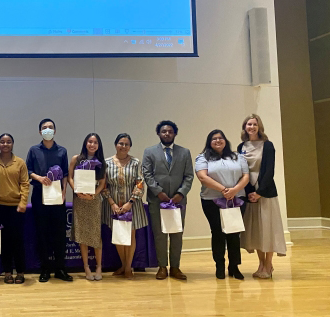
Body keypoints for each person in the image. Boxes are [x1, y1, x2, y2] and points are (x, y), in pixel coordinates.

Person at [142, 120, 194, 281]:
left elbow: (189, 176)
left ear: (175, 134)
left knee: (177, 234)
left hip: (178, 201)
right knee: (159, 234)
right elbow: (147, 174)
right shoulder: (149, 152)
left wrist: (181, 193)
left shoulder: (184, 152)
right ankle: (162, 267)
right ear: (158, 133)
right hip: (157, 200)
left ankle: (176, 267)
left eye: (170, 131)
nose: (167, 134)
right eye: (164, 131)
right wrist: (159, 192)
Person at [196, 129, 250, 280]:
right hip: (212, 201)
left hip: (236, 200)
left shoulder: (238, 157)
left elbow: (246, 176)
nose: (218, 141)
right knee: (218, 233)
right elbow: (202, 177)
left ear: (225, 140)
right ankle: (219, 265)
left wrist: (234, 191)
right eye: (214, 139)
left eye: (220, 138)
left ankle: (234, 267)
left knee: (234, 234)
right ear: (209, 142)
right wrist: (224, 190)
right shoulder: (202, 157)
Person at [238, 114, 286, 278]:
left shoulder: (268, 145)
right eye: (248, 124)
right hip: (249, 193)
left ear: (259, 127)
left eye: (254, 124)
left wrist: (259, 193)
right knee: (256, 230)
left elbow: (269, 171)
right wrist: (248, 193)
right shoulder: (241, 147)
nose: (251, 127)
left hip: (265, 193)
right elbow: (241, 171)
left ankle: (268, 264)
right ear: (245, 127)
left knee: (268, 228)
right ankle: (260, 264)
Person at [26, 118, 72, 283]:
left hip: (57, 196)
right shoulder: (33, 150)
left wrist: (64, 192)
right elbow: (28, 170)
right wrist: (39, 178)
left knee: (59, 234)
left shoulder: (62, 151)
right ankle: (45, 269)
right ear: (40, 132)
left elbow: (66, 174)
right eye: (44, 128)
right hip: (39, 195)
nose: (47, 130)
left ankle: (60, 268)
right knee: (42, 233)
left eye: (50, 127)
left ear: (55, 131)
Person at [102, 133, 147, 279]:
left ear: (130, 147)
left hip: (132, 205)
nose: (123, 146)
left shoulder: (135, 162)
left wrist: (130, 202)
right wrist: (112, 203)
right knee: (118, 235)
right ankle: (122, 264)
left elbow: (140, 183)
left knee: (131, 235)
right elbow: (103, 185)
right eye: (121, 143)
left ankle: (128, 267)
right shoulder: (106, 162)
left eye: (127, 144)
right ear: (116, 144)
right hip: (113, 205)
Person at [0, 133, 30, 284]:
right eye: (2, 142)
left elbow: (25, 184)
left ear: (13, 144)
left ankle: (20, 272)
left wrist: (23, 202)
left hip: (16, 207)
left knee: (18, 241)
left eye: (8, 142)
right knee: (4, 242)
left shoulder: (20, 162)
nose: (5, 144)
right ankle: (7, 271)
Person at [68, 133, 107, 281]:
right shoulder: (76, 159)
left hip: (94, 200)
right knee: (82, 234)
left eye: (95, 142)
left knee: (96, 234)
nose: (92, 144)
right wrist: (76, 191)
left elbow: (103, 182)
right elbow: (70, 177)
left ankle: (98, 267)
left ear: (98, 145)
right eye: (90, 141)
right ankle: (86, 267)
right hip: (79, 200)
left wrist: (94, 195)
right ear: (85, 143)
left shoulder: (102, 162)